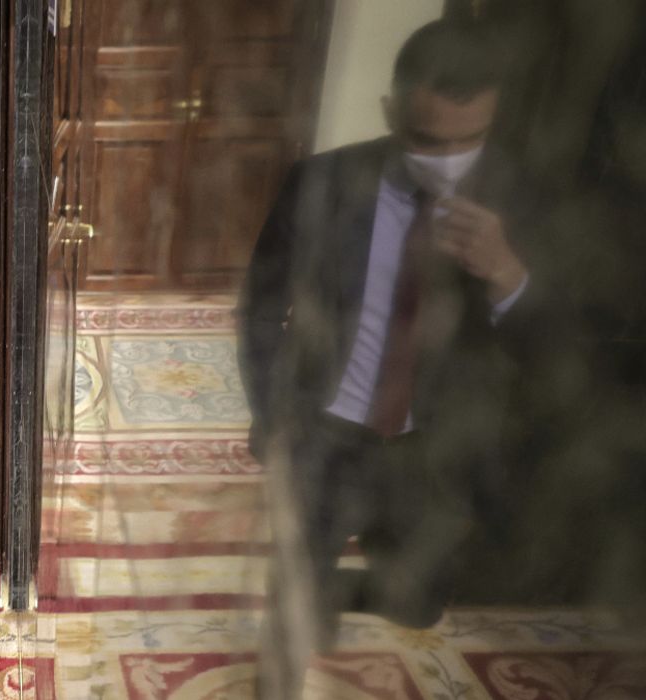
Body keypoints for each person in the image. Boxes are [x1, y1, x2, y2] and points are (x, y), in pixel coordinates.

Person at [238, 18, 542, 696]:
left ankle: (323, 593)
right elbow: (259, 307)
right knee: (290, 609)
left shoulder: (517, 197)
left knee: (421, 603)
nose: (450, 160)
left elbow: (550, 348)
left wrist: (507, 275)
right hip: (323, 431)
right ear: (392, 111)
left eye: (470, 140)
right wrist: (273, 417)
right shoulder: (321, 182)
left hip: (430, 447)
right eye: (429, 141)